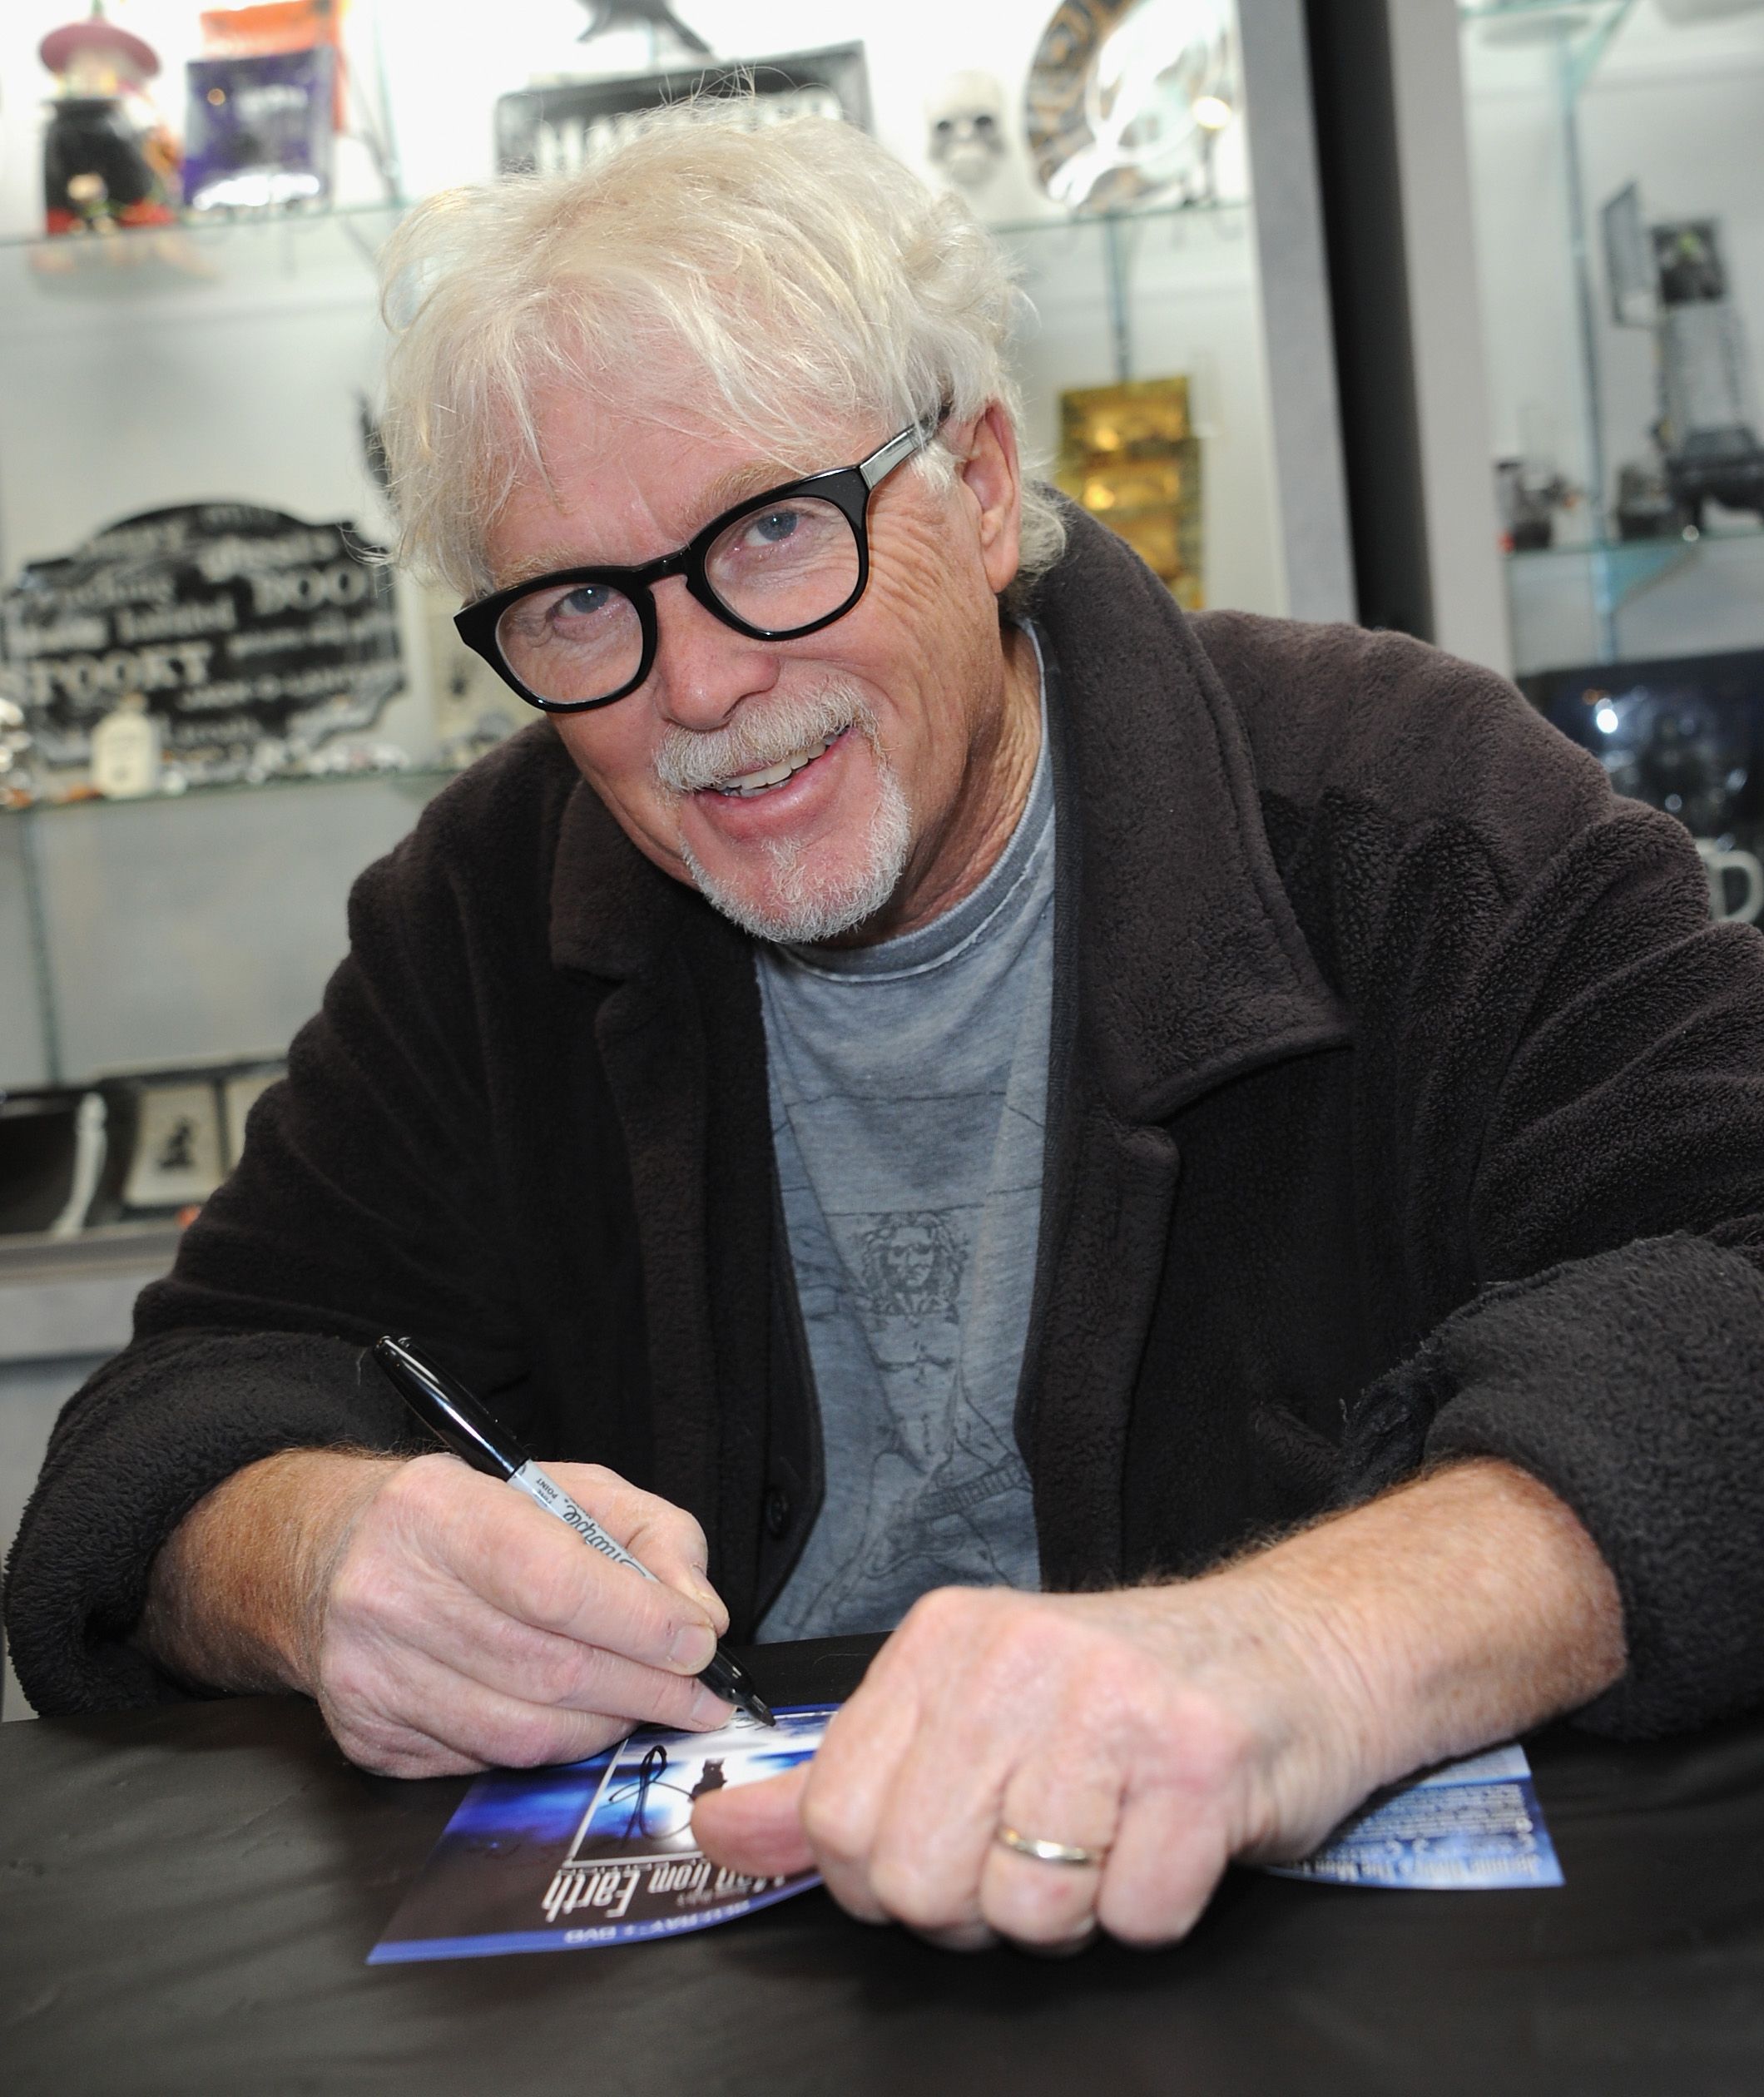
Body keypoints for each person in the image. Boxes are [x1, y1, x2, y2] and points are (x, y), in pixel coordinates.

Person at [9, 108, 1764, 1956]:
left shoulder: (1413, 820)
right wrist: (319, 1557)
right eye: (578, 603)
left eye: (777, 531)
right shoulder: (489, 902)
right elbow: (160, 1442)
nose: (697, 687)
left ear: (984, 485)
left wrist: (1303, 1647)